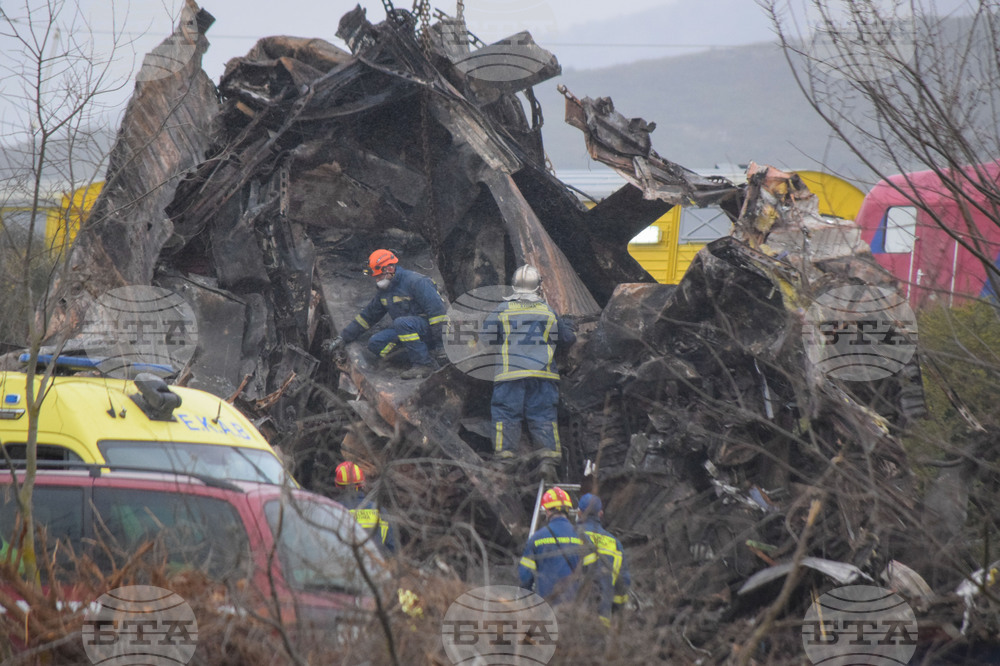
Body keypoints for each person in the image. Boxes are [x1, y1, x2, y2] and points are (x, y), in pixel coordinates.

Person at [485, 265, 576, 481]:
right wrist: (569, 326)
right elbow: (567, 339)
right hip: (543, 375)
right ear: (538, 287)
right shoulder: (547, 311)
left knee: (506, 414)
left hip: (510, 375)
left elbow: (487, 336)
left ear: (514, 285)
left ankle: (505, 460)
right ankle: (548, 463)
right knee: (543, 415)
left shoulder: (503, 309)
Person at [323, 249, 448, 380]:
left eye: (379, 276)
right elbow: (367, 317)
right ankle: (420, 355)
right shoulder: (386, 291)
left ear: (390, 268)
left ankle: (424, 365)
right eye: (375, 277)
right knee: (375, 343)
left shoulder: (416, 282)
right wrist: (343, 337)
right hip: (408, 330)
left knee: (401, 323)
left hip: (430, 331)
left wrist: (442, 346)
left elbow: (438, 315)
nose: (377, 280)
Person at [519, 487, 596, 606]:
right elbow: (592, 574)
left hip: (545, 607)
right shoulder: (583, 538)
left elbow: (525, 578)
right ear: (568, 510)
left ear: (547, 511)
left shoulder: (536, 539)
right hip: (573, 611)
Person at [577, 493, 631, 627]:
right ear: (600, 514)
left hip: (572, 618)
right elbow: (623, 581)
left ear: (578, 513)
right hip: (602, 620)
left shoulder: (571, 535)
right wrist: (616, 610)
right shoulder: (614, 543)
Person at [334, 461, 396, 553]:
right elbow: (392, 549)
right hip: (377, 565)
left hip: (346, 564)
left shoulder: (333, 511)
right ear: (362, 484)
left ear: (338, 486)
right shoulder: (380, 512)